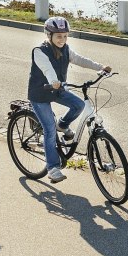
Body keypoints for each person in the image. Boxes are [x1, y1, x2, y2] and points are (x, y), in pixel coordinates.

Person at [27, 16, 112, 183]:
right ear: (49, 35)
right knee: (50, 130)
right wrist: (53, 81)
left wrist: (100, 67)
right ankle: (52, 168)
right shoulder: (39, 51)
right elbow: (47, 69)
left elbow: (80, 60)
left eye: (65, 36)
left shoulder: (65, 49)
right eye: (59, 36)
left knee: (79, 104)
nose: (62, 39)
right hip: (40, 93)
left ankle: (63, 125)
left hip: (57, 90)